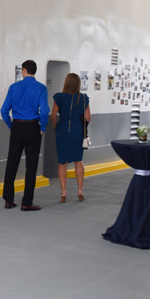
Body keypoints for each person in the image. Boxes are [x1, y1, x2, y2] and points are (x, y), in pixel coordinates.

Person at [0, 59, 49, 211]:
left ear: (24, 70)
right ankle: (27, 202)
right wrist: (42, 127)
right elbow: (44, 111)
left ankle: (8, 200)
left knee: (12, 164)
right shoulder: (41, 88)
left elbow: (3, 110)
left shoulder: (13, 87)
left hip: (17, 126)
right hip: (33, 127)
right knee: (31, 166)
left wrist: (11, 125)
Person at [50, 73, 91, 203]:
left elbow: (53, 116)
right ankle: (80, 190)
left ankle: (63, 193)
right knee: (78, 160)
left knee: (62, 162)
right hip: (77, 130)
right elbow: (88, 118)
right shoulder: (83, 98)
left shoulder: (59, 97)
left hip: (62, 129)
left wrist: (56, 127)